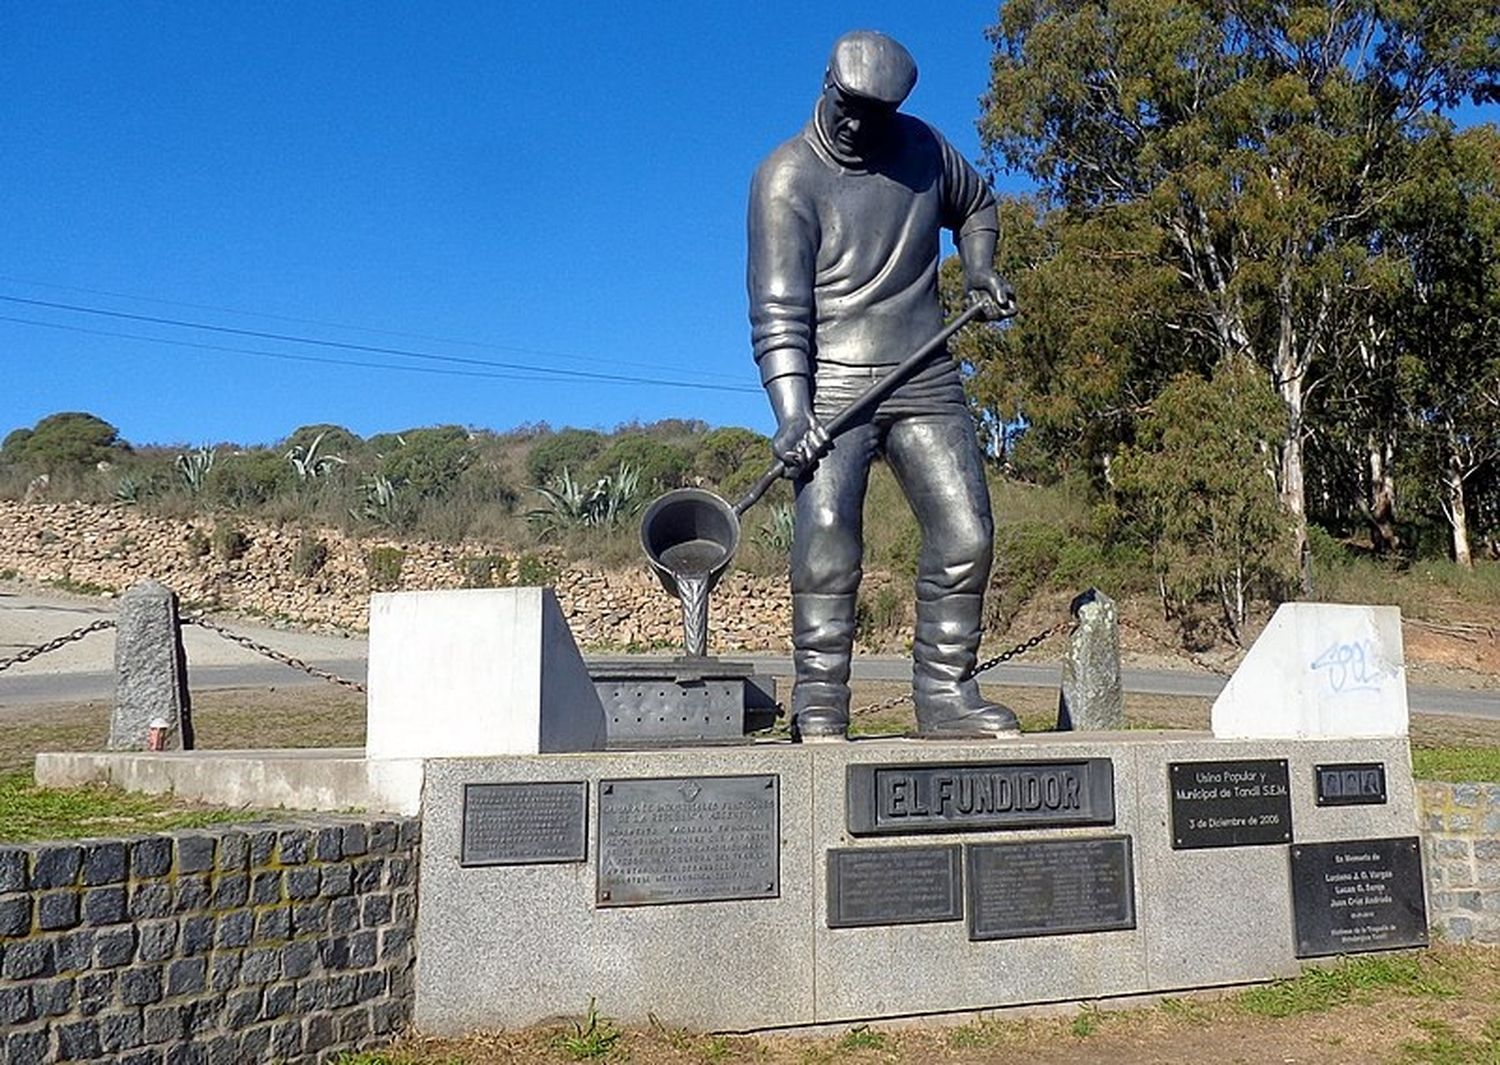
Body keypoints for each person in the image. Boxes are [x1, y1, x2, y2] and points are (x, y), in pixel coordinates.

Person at [747, 29, 1017, 742]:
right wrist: (792, 411)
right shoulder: (786, 177)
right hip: (833, 386)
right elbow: (779, 311)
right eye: (849, 106)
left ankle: (946, 693)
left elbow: (978, 204)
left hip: (925, 372)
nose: (858, 124)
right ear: (827, 86)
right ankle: (821, 701)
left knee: (967, 533)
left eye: (876, 113)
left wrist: (980, 269)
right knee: (828, 538)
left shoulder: (924, 149)